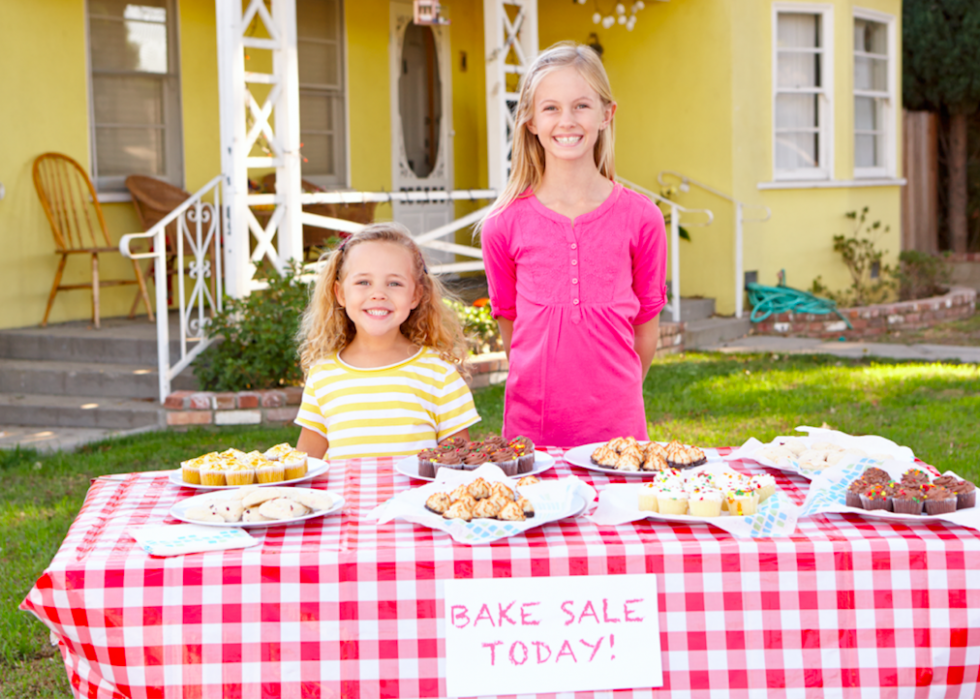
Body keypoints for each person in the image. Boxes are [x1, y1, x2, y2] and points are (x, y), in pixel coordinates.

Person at [480, 41, 668, 447]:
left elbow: (646, 333)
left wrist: (614, 397)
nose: (567, 120)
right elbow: (514, 333)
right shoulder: (502, 225)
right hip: (533, 434)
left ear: (606, 114)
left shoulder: (643, 219)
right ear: (529, 120)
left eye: (581, 106)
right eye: (551, 108)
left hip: (620, 434)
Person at [295, 223, 480, 460]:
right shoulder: (323, 376)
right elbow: (306, 466)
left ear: (416, 295)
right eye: (363, 282)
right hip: (345, 498)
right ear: (340, 294)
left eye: (394, 283)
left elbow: (458, 465)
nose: (378, 294)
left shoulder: (439, 374)